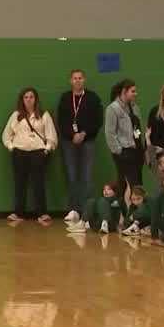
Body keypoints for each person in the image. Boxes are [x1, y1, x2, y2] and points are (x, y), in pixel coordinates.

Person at [2, 87, 58, 224]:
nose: (28, 100)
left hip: (38, 153)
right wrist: (11, 147)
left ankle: (42, 213)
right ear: (22, 100)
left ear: (36, 99)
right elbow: (6, 134)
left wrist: (47, 149)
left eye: (31, 97)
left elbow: (51, 135)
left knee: (38, 183)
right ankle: (18, 212)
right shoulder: (16, 116)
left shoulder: (43, 115)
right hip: (19, 152)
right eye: (26, 97)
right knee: (20, 183)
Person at [57, 69, 103, 224]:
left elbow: (98, 120)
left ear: (84, 80)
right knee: (72, 176)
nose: (77, 80)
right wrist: (72, 135)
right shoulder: (65, 98)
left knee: (87, 176)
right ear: (71, 81)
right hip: (68, 142)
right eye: (75, 78)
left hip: (88, 141)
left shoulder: (92, 98)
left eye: (80, 78)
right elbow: (61, 120)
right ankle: (73, 210)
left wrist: (84, 133)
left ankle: (87, 212)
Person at [105, 79, 145, 202]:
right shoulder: (113, 109)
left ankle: (132, 212)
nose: (135, 94)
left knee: (137, 182)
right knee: (130, 183)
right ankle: (128, 213)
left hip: (137, 150)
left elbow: (138, 127)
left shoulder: (134, 107)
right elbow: (110, 133)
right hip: (124, 151)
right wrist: (119, 151)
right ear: (124, 91)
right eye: (132, 91)